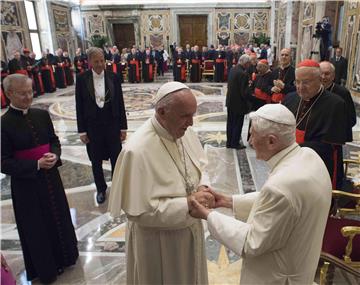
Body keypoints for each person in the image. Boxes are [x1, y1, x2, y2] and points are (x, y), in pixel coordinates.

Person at [190, 103, 332, 284]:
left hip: (276, 277)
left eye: (253, 134)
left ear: (272, 141)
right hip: (302, 265)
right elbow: (281, 204)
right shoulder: (308, 155)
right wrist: (228, 201)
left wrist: (208, 215)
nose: (249, 140)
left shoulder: (282, 187)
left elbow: (251, 243)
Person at [108, 81, 214, 285]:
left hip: (189, 231)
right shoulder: (136, 151)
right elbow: (140, 212)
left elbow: (200, 166)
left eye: (193, 114)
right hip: (159, 244)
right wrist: (189, 204)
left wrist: (202, 187)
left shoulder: (182, 130)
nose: (191, 123)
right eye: (185, 115)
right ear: (162, 112)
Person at [1, 74, 78, 283]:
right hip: (27, 185)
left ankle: (66, 257)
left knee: (58, 217)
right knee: (37, 227)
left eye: (30, 92)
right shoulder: (3, 124)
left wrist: (55, 154)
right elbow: (3, 162)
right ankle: (47, 269)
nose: (28, 97)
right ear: (9, 94)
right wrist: (35, 164)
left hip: (51, 177)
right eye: (22, 93)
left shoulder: (41, 115)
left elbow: (54, 141)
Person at [282, 59, 347, 190]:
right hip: (289, 163)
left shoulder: (336, 104)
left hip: (318, 167)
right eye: (297, 82)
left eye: (306, 82)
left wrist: (291, 147)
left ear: (319, 80)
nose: (300, 87)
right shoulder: (290, 98)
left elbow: (330, 145)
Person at [75, 47, 127, 204]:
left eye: (102, 61)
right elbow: (79, 106)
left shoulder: (114, 77)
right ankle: (101, 189)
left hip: (112, 125)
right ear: (90, 62)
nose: (99, 64)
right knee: (95, 161)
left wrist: (123, 127)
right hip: (92, 127)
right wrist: (82, 131)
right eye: (96, 61)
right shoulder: (82, 79)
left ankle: (117, 188)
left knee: (116, 159)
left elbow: (120, 103)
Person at [320, 61, 356, 189]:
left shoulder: (342, 93)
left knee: (333, 174)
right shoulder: (313, 91)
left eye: (327, 74)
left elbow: (351, 119)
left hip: (332, 142)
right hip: (315, 140)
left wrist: (335, 129)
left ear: (333, 76)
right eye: (321, 74)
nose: (323, 77)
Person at [226, 54, 252, 149]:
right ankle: (235, 143)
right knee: (237, 123)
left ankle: (229, 142)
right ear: (246, 63)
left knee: (230, 123)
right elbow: (244, 92)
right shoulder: (243, 74)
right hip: (239, 103)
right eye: (249, 63)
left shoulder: (233, 69)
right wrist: (251, 97)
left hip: (230, 101)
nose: (249, 66)